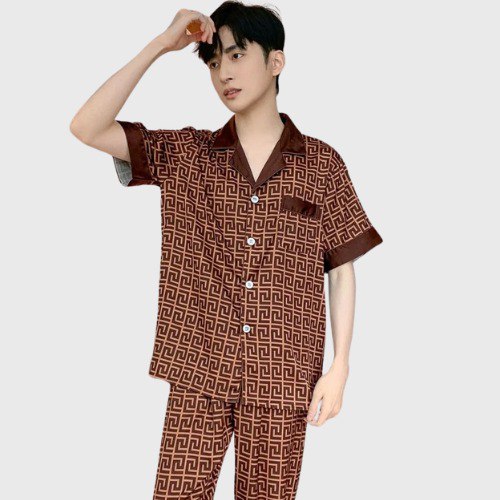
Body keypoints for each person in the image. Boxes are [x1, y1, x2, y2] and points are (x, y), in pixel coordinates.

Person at [70, 2, 383, 498]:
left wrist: (340, 366)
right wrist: (161, 45)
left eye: (237, 55)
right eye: (214, 62)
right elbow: (86, 127)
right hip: (199, 366)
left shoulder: (322, 164)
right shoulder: (187, 154)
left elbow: (341, 267)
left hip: (283, 374)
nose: (223, 74)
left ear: (275, 62)